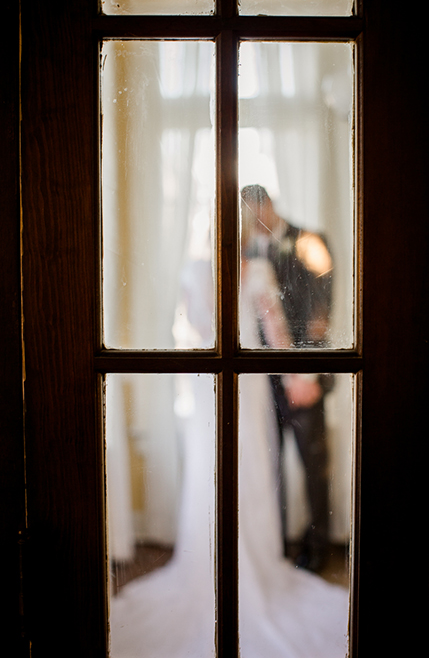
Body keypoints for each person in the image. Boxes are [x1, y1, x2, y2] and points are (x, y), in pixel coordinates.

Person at [107, 203, 348, 657]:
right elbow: (275, 332)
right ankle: (253, 564)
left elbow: (193, 327)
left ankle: (208, 564)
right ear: (240, 232)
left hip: (204, 384)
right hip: (248, 381)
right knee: (250, 468)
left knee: (210, 468)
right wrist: (300, 377)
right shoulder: (254, 269)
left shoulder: (194, 271)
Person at [240, 184, 334, 573]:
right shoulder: (243, 251)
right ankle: (273, 548)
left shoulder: (309, 241)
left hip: (302, 377)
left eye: (254, 211)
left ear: (270, 205)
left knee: (313, 465)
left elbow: (320, 315)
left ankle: (317, 550)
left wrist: (307, 374)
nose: (251, 221)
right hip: (260, 383)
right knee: (267, 468)